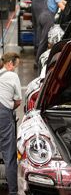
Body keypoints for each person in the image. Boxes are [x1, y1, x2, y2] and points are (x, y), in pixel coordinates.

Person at [0, 52, 22, 195]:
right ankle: (13, 191)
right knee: (9, 154)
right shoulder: (12, 76)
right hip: (3, 114)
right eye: (15, 65)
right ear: (10, 64)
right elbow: (18, 101)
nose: (15, 69)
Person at [36, 0, 66, 64]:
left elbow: (62, 1)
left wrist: (68, 3)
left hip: (42, 16)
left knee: (42, 40)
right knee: (45, 41)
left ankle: (38, 59)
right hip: (48, 17)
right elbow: (61, 6)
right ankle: (38, 61)